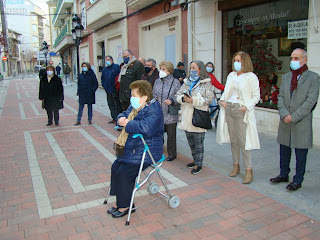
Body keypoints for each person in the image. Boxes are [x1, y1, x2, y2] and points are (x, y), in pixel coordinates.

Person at [108, 80, 164, 218]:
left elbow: (146, 128)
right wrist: (121, 119)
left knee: (125, 173)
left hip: (147, 151)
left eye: (134, 95)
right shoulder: (137, 107)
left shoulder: (154, 110)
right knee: (116, 167)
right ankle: (121, 201)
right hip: (133, 148)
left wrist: (127, 123)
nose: (131, 98)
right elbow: (123, 113)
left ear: (144, 97)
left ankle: (126, 206)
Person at [270, 48, 319, 191]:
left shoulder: (313, 78)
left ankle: (298, 180)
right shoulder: (286, 77)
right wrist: (285, 114)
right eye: (292, 58)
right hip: (285, 121)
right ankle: (283, 174)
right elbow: (281, 98)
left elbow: (311, 102)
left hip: (301, 121)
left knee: (300, 153)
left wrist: (294, 116)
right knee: (284, 150)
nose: (293, 61)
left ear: (305, 60)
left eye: (296, 58)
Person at [216, 51, 260, 184]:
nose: (236, 63)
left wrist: (246, 106)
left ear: (245, 62)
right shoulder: (231, 75)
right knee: (233, 140)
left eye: (239, 60)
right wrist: (222, 100)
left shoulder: (251, 77)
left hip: (241, 110)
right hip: (229, 108)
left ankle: (248, 169)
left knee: (244, 141)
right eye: (235, 60)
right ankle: (236, 165)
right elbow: (226, 92)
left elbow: (256, 96)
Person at [175, 60, 214, 174]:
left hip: (199, 116)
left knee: (198, 143)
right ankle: (194, 159)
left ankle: (199, 164)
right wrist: (183, 98)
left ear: (200, 69)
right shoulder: (186, 82)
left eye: (194, 68)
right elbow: (177, 94)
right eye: (190, 68)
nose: (192, 70)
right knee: (191, 141)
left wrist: (194, 100)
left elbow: (209, 99)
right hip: (187, 116)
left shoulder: (207, 83)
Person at [153, 61, 181, 162]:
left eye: (163, 69)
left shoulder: (175, 82)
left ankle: (172, 154)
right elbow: (153, 94)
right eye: (160, 69)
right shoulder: (157, 81)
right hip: (159, 112)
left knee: (171, 135)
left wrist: (172, 100)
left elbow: (179, 96)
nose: (161, 71)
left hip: (170, 113)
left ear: (169, 71)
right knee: (159, 134)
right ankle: (158, 151)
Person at [101, 55, 121, 123]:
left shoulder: (116, 67)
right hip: (108, 90)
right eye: (106, 60)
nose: (107, 61)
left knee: (117, 104)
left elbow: (119, 77)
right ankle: (114, 118)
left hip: (115, 90)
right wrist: (104, 86)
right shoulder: (105, 69)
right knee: (110, 104)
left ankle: (118, 118)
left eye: (108, 59)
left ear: (112, 60)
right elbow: (102, 79)